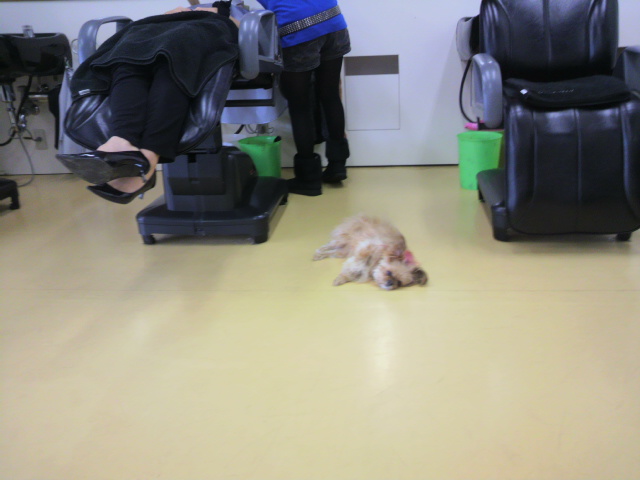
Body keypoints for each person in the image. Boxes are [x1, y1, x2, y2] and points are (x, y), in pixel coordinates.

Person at [56, 2, 239, 204]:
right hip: (151, 30)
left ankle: (147, 158)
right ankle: (122, 141)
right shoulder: (174, 12)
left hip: (199, 31)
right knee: (126, 57)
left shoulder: (228, 12)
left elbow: (238, 27)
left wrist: (219, 16)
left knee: (174, 60)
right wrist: (180, 13)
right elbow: (161, 19)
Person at [256, 0, 351, 196]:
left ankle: (308, 179)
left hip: (298, 28)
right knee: (330, 94)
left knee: (299, 105)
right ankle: (337, 165)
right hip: (333, 20)